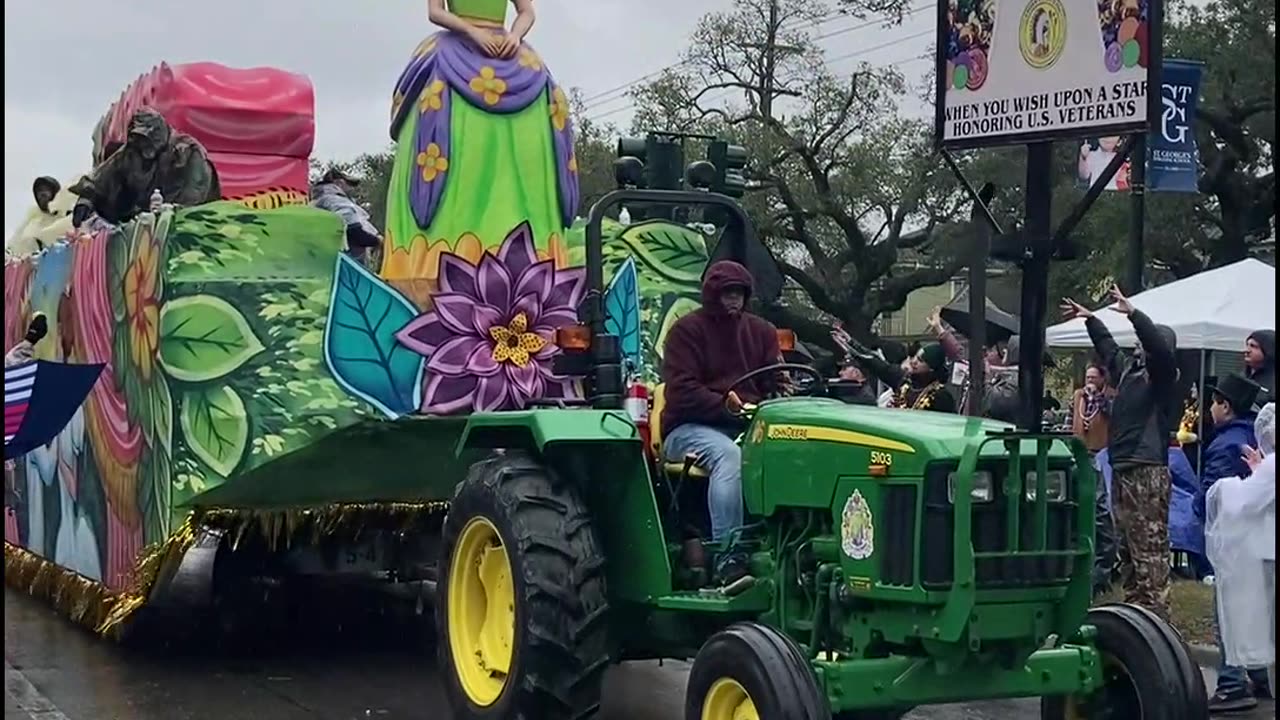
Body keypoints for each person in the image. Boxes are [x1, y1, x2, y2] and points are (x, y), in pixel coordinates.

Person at [383, 0, 576, 284]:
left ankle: (533, 257)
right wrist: (474, 33)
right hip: (453, 51)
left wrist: (514, 36)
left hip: (510, 54)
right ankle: (435, 261)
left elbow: (527, 12)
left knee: (549, 106)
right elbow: (436, 12)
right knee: (437, 109)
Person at [1061, 284, 1178, 620]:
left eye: (1144, 343)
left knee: (1149, 547)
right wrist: (1091, 320)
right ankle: (1135, 610)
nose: (1139, 347)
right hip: (1123, 465)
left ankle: (1156, 616)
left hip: (1147, 468)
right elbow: (1109, 349)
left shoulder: (1162, 376)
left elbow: (1158, 347)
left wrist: (1136, 316)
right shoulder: (1130, 372)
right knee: (1126, 543)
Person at [661, 261, 780, 584]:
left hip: (748, 426)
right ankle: (730, 558)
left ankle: (786, 550)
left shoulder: (762, 332)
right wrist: (725, 407)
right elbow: (681, 392)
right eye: (727, 293)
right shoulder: (686, 332)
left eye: (739, 293)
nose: (734, 300)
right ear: (712, 294)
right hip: (689, 428)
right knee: (728, 456)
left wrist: (782, 394)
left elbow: (776, 382)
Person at [1190, 374, 1269, 712]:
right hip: (1261, 540)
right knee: (1256, 609)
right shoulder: (1255, 435)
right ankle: (1261, 675)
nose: (1210, 408)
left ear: (1226, 406)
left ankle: (1231, 683)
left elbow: (1212, 495)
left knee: (1229, 612)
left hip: (1234, 542)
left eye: (1214, 401)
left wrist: (1197, 504)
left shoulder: (1224, 445)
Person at [69, 108, 220, 228]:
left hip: (185, 220)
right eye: (139, 139)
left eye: (147, 138)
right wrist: (86, 200)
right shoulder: (133, 151)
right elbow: (101, 177)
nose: (143, 144)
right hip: (142, 222)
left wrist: (168, 216)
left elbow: (194, 195)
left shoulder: (185, 152)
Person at [310, 168, 383, 262]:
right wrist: (377, 241)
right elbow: (355, 232)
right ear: (339, 183)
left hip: (324, 262)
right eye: (349, 184)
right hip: (347, 264)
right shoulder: (336, 201)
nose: (352, 188)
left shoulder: (316, 202)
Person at [1245, 329, 1275, 407]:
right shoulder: (1241, 376)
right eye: (1247, 345)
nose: (1247, 350)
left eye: (1253, 346)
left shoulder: (1272, 381)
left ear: (1268, 350)